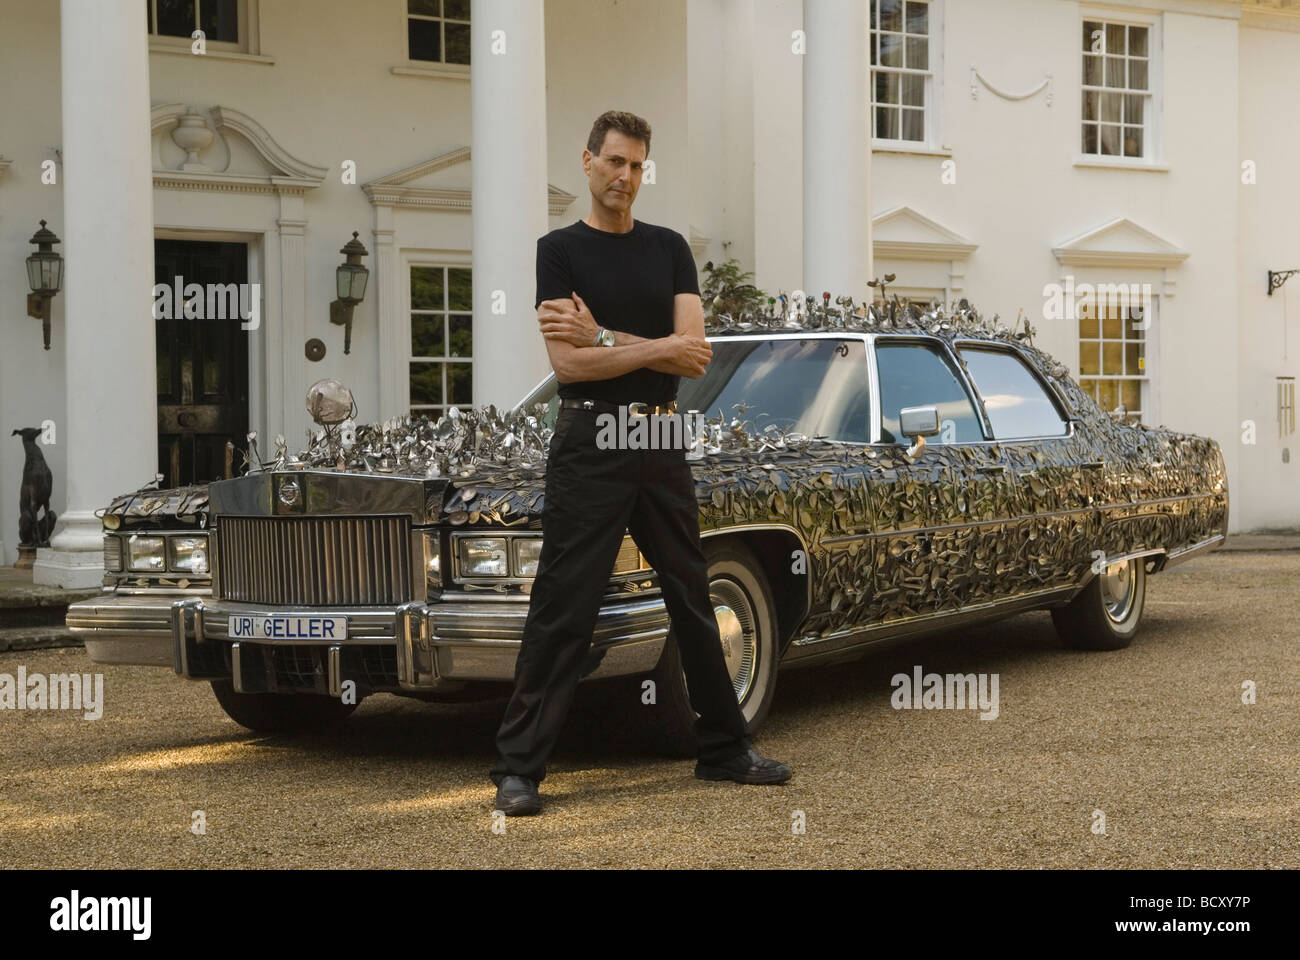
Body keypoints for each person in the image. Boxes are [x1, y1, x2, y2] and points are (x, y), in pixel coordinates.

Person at [489, 110, 793, 815]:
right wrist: (641, 346)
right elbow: (568, 363)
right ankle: (520, 770)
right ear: (588, 161)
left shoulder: (669, 250)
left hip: (656, 438)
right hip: (590, 441)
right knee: (565, 604)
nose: (625, 177)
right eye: (615, 162)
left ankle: (723, 749)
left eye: (636, 166)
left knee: (693, 594)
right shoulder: (557, 251)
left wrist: (604, 334)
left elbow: (694, 353)